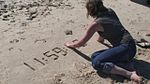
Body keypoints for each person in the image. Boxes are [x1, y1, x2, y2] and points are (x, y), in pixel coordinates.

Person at [64, 0, 142, 83]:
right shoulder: (110, 11)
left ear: (90, 11)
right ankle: (127, 64)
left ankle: (129, 74)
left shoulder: (96, 24)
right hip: (131, 46)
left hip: (125, 49)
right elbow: (109, 27)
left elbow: (81, 43)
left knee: (96, 63)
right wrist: (100, 39)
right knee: (94, 55)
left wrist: (71, 44)